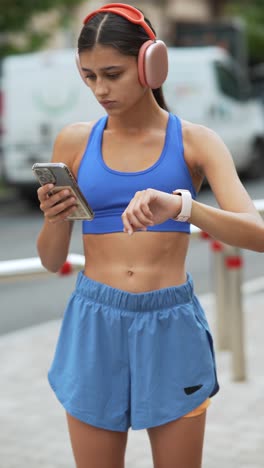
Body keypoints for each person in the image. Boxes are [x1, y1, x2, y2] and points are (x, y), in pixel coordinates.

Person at [36, 3, 264, 468]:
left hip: (170, 323)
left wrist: (183, 206)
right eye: (89, 76)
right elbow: (49, 259)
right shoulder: (75, 142)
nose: (101, 89)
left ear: (150, 64)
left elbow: (258, 233)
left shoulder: (195, 141)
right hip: (94, 321)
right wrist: (54, 217)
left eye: (113, 74)